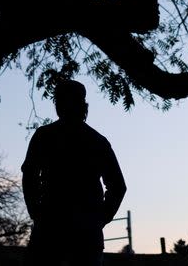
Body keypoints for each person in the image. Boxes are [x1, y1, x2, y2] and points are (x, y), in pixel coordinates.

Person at [22, 79, 126, 266]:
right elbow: (118, 186)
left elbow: (29, 176)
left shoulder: (45, 136)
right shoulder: (97, 141)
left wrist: (36, 211)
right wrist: (98, 220)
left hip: (52, 230)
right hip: (78, 233)